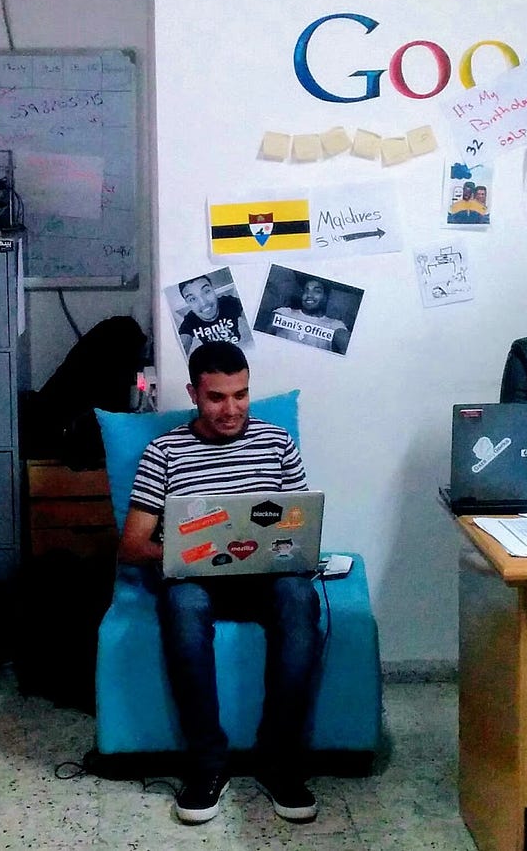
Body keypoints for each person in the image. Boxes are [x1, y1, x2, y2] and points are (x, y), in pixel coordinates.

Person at [119, 341, 321, 824]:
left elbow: (296, 523)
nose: (231, 409)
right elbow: (131, 546)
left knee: (299, 597)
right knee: (184, 606)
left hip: (264, 576)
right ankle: (208, 765)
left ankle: (278, 762)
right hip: (195, 580)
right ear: (193, 393)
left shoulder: (277, 444)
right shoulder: (164, 451)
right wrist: (188, 554)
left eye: (241, 395)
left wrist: (296, 552)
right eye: (216, 398)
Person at [269, 278, 350, 354]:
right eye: (306, 290)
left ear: (326, 297)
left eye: (317, 291)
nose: (309, 295)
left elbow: (345, 343)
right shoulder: (285, 313)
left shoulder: (334, 324)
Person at [176, 274, 249, 355]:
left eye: (206, 291)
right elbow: (182, 348)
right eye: (192, 299)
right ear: (187, 303)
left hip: (236, 346)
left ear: (213, 289)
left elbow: (251, 316)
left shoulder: (230, 303)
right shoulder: (190, 321)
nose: (204, 303)